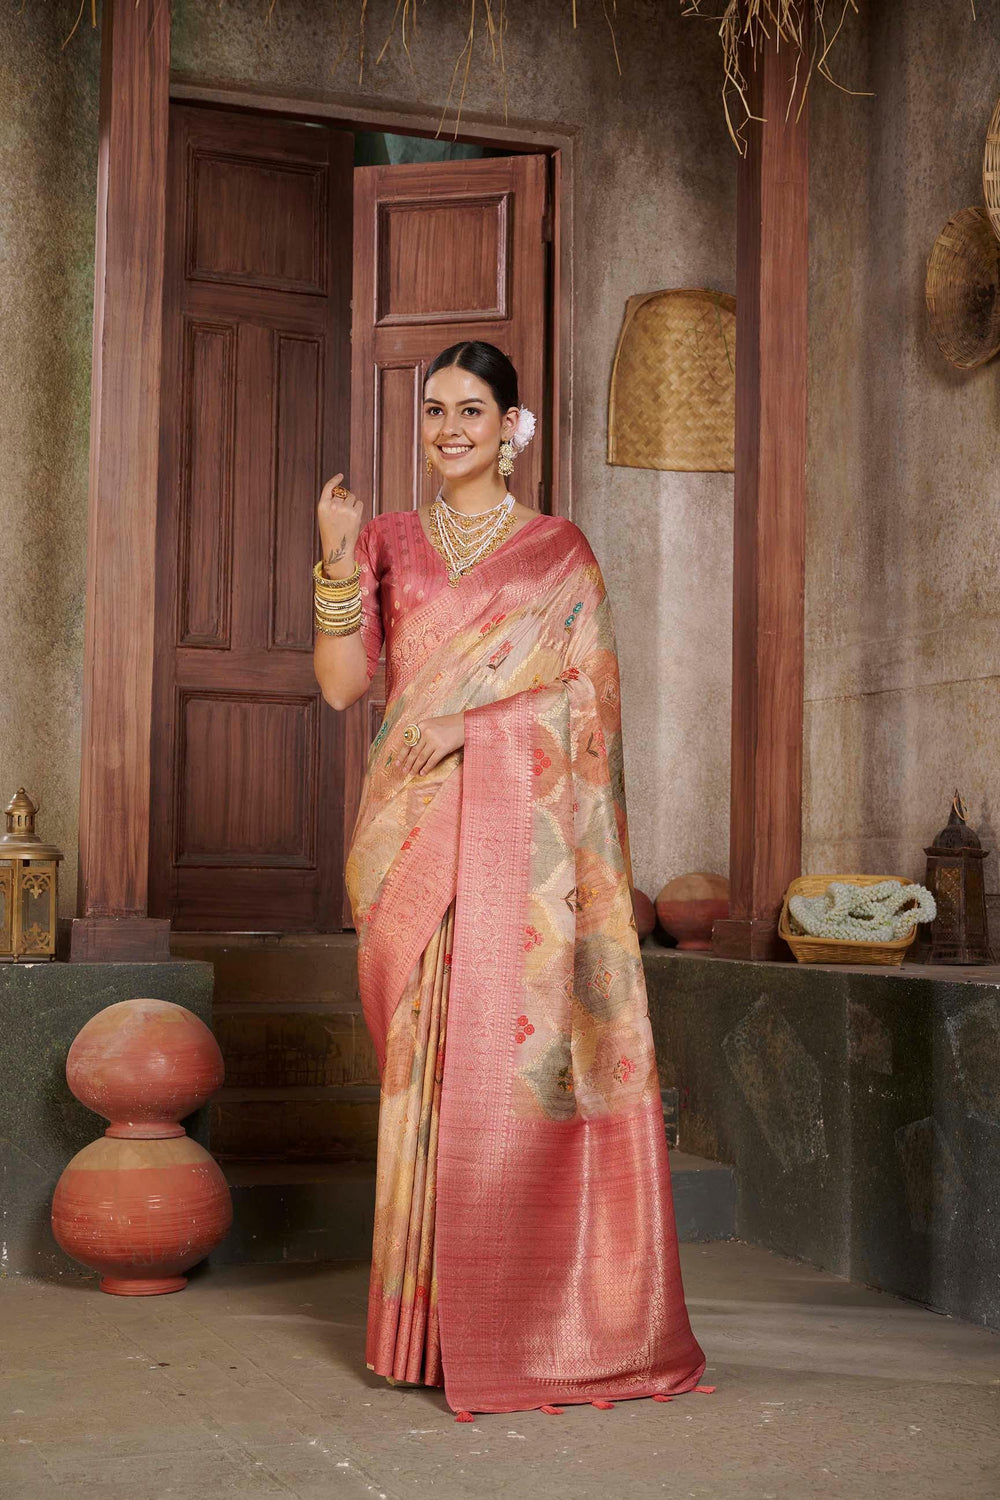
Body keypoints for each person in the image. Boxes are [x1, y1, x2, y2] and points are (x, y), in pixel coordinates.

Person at [312, 340, 706, 1419]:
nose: (449, 429)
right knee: (419, 1081)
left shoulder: (556, 555)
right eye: (435, 410)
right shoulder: (389, 540)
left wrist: (473, 729)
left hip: (512, 848)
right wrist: (338, 564)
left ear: (510, 425)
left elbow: (592, 711)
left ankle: (512, 1322)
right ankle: (418, 1329)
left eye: (472, 411)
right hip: (410, 835)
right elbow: (345, 689)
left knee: (495, 1064)